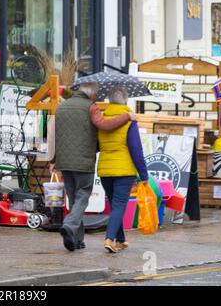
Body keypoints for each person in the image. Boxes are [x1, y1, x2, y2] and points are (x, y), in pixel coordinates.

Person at [50, 82, 136, 252]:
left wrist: (53, 159)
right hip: (83, 161)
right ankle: (69, 224)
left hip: (64, 161)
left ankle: (77, 239)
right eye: (96, 94)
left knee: (74, 199)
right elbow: (104, 125)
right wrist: (127, 117)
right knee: (82, 196)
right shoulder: (91, 107)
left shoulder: (62, 107)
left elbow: (53, 133)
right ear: (91, 94)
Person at [98, 87, 148, 253]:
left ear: (109, 101)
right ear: (126, 101)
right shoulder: (129, 120)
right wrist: (144, 174)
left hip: (105, 169)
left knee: (115, 205)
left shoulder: (102, 119)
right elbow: (136, 149)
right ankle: (109, 239)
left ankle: (120, 240)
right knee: (119, 205)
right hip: (124, 170)